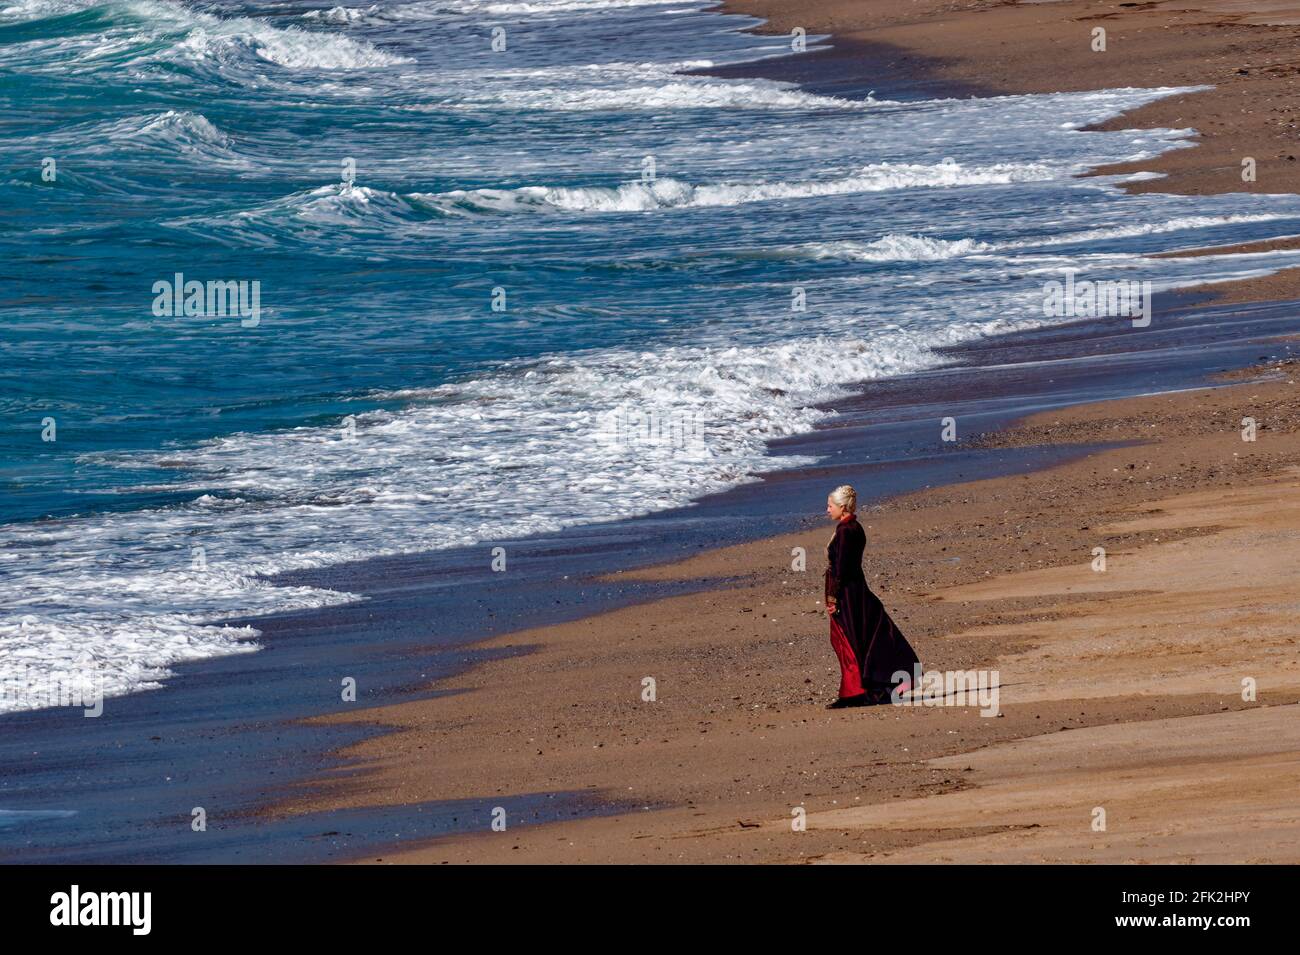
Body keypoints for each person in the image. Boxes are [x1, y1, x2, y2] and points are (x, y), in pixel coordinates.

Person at [823, 485, 921, 709]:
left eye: (830, 506)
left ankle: (856, 693)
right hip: (855, 591)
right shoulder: (853, 528)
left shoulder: (846, 531)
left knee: (849, 641)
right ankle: (870, 689)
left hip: (849, 594)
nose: (827, 510)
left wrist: (833, 598)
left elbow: (843, 569)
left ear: (842, 507)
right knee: (866, 637)